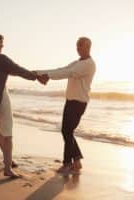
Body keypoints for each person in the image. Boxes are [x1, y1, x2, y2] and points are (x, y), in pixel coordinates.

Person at [0, 32, 39, 178]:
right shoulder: (0, 59)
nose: (3, 45)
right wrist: (36, 77)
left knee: (2, 131)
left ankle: (8, 161)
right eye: (1, 42)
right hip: (1, 99)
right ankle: (7, 168)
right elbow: (17, 70)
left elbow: (9, 70)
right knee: (8, 135)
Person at [37, 37, 96, 174]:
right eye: (77, 46)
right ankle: (75, 161)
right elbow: (62, 69)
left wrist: (47, 75)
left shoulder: (88, 64)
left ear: (88, 47)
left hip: (78, 103)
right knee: (67, 132)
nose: (78, 49)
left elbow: (67, 73)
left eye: (81, 46)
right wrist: (40, 72)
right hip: (70, 101)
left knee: (67, 132)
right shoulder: (77, 62)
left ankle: (68, 163)